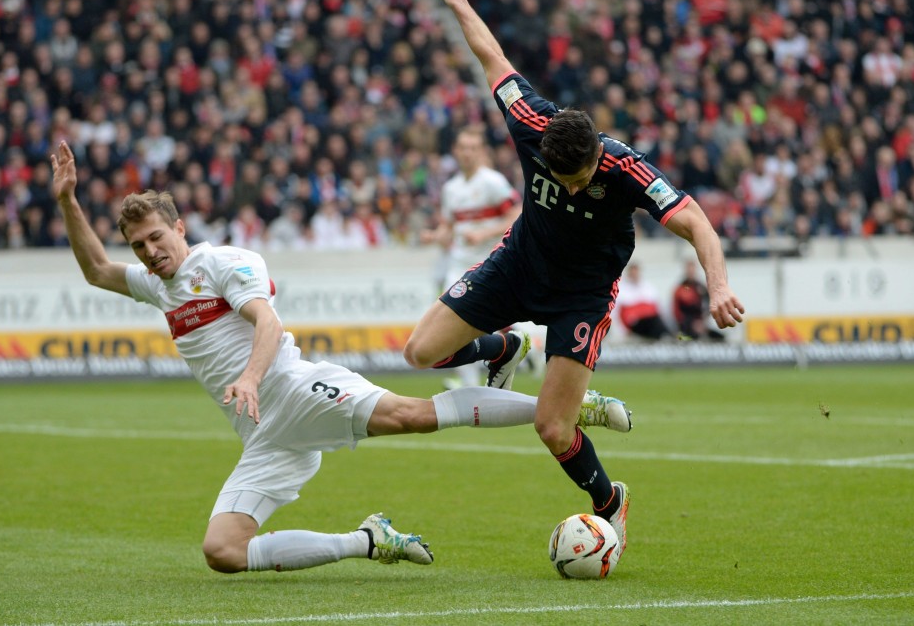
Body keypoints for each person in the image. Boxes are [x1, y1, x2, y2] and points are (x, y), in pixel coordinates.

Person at [49, 140, 628, 575]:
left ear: (179, 227)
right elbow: (97, 270)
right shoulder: (160, 285)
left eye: (157, 238)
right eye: (140, 247)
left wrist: (251, 378)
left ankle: (565, 404)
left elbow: (268, 322)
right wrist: (69, 201)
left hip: (294, 388)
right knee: (222, 553)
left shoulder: (222, 262)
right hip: (262, 436)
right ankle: (368, 540)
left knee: (413, 415)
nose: (150, 253)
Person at [403, 0, 746, 562]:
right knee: (419, 353)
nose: (567, 186)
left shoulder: (624, 167)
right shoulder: (533, 123)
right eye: (557, 178)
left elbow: (695, 221)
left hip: (582, 294)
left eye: (578, 177)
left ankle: (609, 500)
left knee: (552, 427)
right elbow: (491, 57)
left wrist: (717, 285)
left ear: (595, 156)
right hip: (517, 264)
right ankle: (503, 347)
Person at [420, 126, 521, 387]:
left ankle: (518, 348)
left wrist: (485, 231)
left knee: (482, 322)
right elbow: (449, 228)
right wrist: (434, 236)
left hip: (489, 264)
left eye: (473, 148)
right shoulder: (451, 189)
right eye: (463, 148)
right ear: (455, 151)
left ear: (481, 152)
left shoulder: (492, 181)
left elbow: (516, 214)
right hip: (458, 264)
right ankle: (471, 386)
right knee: (451, 323)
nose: (468, 153)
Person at [616, 262, 672, 341]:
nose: (634, 275)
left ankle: (666, 336)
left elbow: (658, 307)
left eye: (636, 273)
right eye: (632, 273)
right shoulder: (621, 290)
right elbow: (616, 313)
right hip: (635, 323)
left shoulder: (648, 287)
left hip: (650, 322)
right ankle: (668, 336)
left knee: (654, 321)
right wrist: (623, 331)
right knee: (652, 321)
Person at [673, 259, 726, 341]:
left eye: (692, 269)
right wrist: (690, 324)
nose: (691, 272)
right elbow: (677, 312)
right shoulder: (679, 289)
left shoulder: (702, 288)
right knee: (686, 338)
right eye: (689, 269)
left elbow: (709, 306)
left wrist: (702, 323)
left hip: (700, 324)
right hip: (686, 326)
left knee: (719, 337)